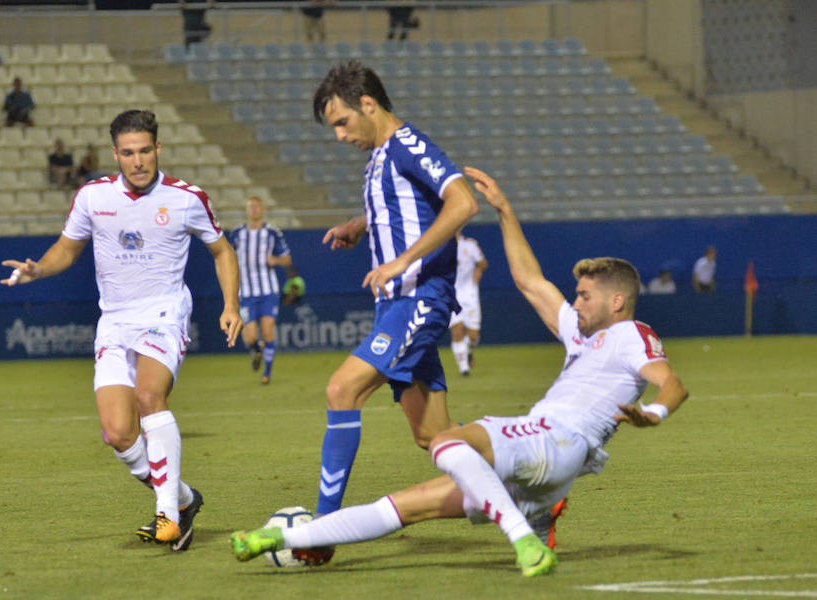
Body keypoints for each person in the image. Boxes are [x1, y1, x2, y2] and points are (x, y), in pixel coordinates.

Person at [230, 166, 689, 576]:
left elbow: (672, 383)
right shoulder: (582, 333)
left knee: (445, 440)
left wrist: (655, 413)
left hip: (556, 438)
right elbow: (531, 282)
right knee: (409, 506)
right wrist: (505, 211)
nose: (576, 301)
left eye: (585, 295)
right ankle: (279, 539)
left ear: (616, 302)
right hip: (547, 464)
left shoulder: (631, 334)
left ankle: (523, 538)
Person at [1, 109, 243, 551]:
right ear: (115, 154)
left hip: (164, 312)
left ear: (158, 149)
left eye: (145, 151)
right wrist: (38, 269)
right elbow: (67, 250)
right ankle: (184, 500)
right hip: (114, 321)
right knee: (117, 432)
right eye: (128, 153)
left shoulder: (186, 198)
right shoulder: (93, 197)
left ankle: (168, 518)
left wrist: (231, 305)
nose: (137, 161)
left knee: (150, 396)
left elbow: (223, 252)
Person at [309, 61, 478, 526]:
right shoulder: (380, 159)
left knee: (342, 389)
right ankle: (526, 487)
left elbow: (463, 202)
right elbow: (402, 210)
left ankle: (323, 528)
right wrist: (359, 226)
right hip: (396, 305)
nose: (341, 135)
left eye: (342, 122)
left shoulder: (407, 145)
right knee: (435, 437)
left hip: (419, 299)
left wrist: (403, 261)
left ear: (368, 105)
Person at [228, 196, 292, 385]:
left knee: (267, 331)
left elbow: (287, 259)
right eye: (250, 207)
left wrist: (276, 260)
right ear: (246, 210)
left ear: (262, 209)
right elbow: (226, 257)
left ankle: (267, 373)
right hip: (246, 292)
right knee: (249, 337)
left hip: (268, 291)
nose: (254, 210)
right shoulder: (237, 233)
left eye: (257, 206)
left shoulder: (272, 232)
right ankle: (256, 349)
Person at [449, 230, 487, 376]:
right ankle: (464, 368)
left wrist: (477, 275)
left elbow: (483, 263)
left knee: (473, 336)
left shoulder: (470, 245)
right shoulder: (441, 245)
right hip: (451, 294)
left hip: (469, 294)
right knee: (457, 329)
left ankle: (467, 348)